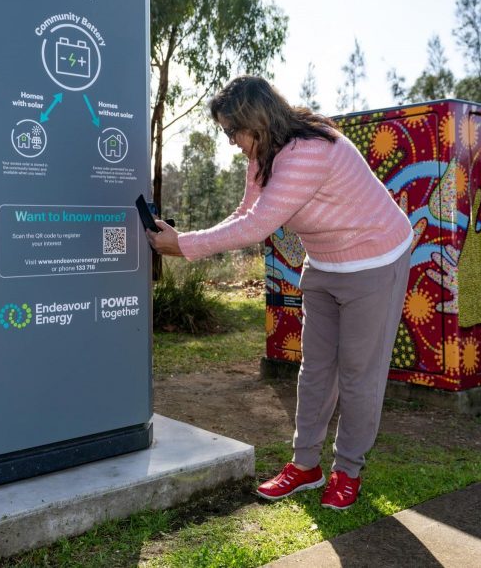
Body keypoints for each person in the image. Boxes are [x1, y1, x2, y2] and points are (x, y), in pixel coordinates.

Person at [147, 75, 413, 510]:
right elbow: (246, 211)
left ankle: (347, 470)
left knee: (358, 374)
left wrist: (184, 244)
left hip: (375, 260)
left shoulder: (308, 151)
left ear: (258, 120)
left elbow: (258, 226)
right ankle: (305, 465)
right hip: (325, 263)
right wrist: (187, 237)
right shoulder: (262, 156)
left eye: (234, 131)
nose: (232, 141)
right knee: (314, 370)